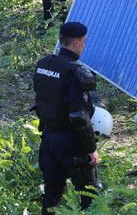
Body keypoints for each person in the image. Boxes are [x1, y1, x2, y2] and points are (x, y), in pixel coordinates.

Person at [33, 22, 101, 214]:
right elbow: (79, 116)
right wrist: (91, 150)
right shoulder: (76, 74)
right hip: (71, 145)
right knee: (91, 197)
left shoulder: (43, 65)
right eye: (85, 42)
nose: (84, 45)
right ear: (77, 42)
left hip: (48, 140)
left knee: (52, 197)